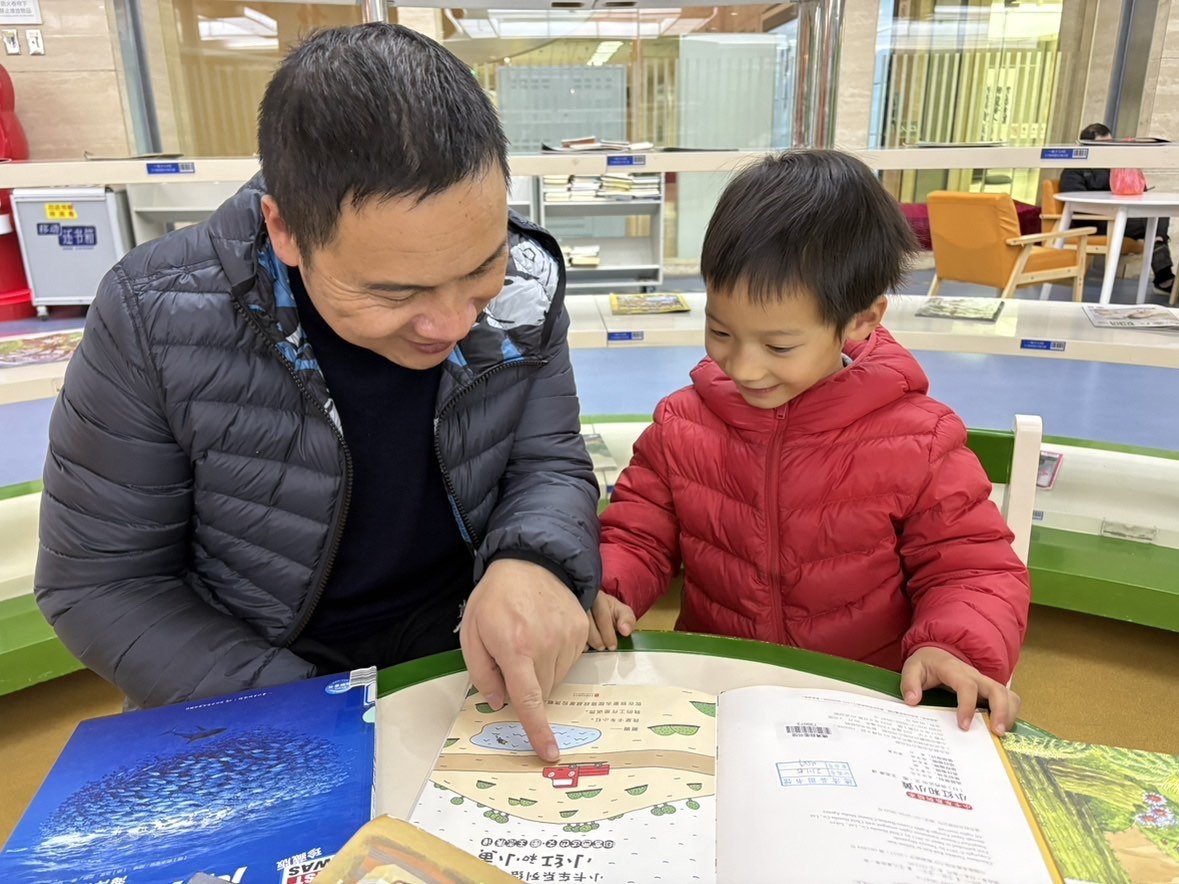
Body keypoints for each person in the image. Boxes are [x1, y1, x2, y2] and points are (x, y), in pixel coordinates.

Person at [35, 24, 599, 762]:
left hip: (464, 665)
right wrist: (315, 713)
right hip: (254, 689)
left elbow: (546, 461)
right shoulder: (153, 316)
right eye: (395, 292)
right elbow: (101, 584)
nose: (453, 323)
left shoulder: (525, 282)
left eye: (480, 268)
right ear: (286, 230)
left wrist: (533, 560)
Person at [587, 150, 1030, 735]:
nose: (743, 367)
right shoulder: (681, 424)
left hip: (861, 702)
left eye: (778, 346)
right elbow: (637, 535)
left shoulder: (918, 441)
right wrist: (606, 588)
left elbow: (971, 570)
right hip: (717, 693)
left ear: (861, 320)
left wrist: (952, 646)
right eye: (720, 331)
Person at [1061, 122, 1175, 295]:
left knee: (1159, 215)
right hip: (1096, 222)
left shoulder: (1115, 166)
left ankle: (1158, 248)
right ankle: (1163, 276)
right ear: (1089, 147)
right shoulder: (1074, 170)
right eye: (1104, 145)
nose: (1109, 149)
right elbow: (1076, 204)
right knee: (1153, 222)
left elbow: (1139, 191)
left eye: (1111, 144)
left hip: (1120, 216)